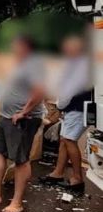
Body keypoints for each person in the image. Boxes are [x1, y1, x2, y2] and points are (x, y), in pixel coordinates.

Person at [0, 35, 45, 212]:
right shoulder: (19, 63)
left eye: (16, 45)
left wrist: (24, 112)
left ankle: (17, 202)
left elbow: (40, 91)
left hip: (22, 120)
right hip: (5, 116)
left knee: (21, 160)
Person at [39, 35, 91, 193]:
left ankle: (77, 178)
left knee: (69, 140)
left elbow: (66, 92)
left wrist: (60, 106)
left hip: (76, 108)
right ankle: (58, 173)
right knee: (64, 140)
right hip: (80, 107)